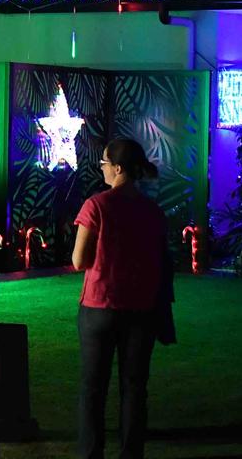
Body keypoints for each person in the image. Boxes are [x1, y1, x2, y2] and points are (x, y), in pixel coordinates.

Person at [72, 138, 166, 459]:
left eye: (103, 162)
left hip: (99, 305)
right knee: (135, 388)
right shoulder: (152, 211)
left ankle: (91, 453)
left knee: (93, 388)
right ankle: (130, 452)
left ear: (118, 168)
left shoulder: (96, 205)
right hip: (141, 308)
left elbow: (79, 260)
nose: (102, 167)